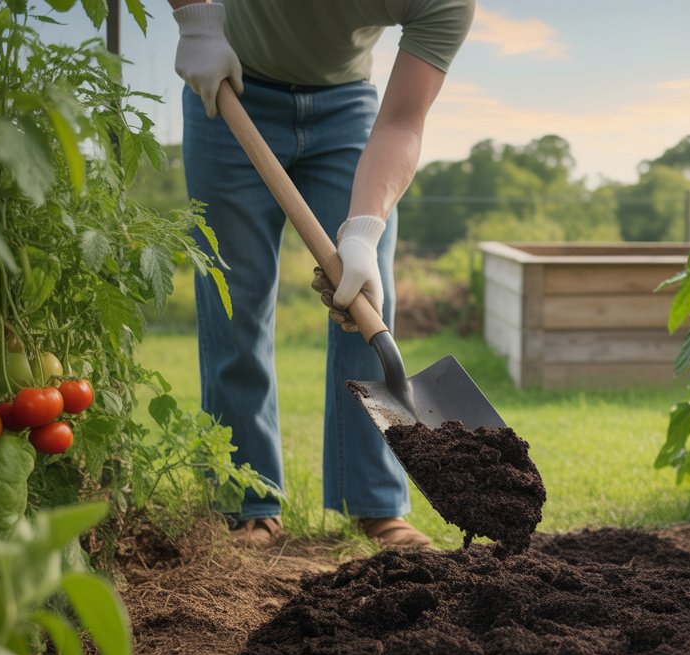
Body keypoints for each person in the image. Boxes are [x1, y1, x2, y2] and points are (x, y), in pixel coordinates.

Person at [170, 0, 475, 548]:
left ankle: (376, 504)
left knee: (364, 306)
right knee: (233, 304)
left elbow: (404, 121)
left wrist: (362, 231)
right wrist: (195, 19)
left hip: (346, 104)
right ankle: (248, 503)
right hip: (232, 80)